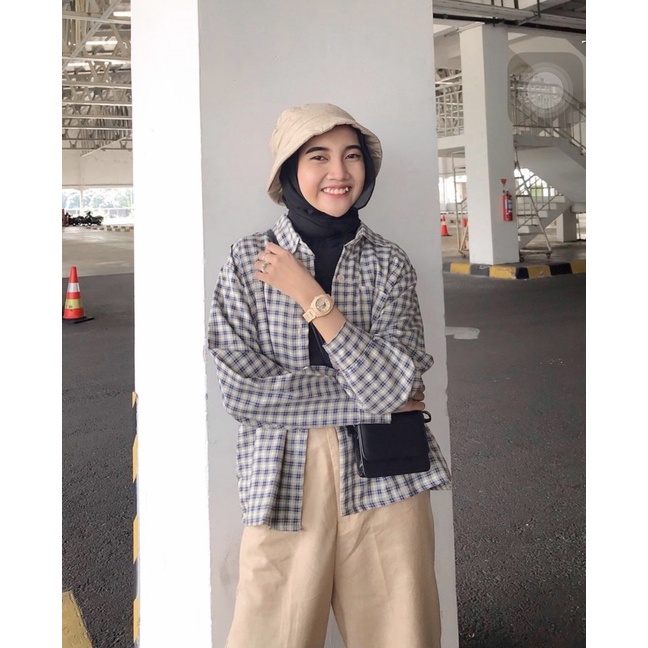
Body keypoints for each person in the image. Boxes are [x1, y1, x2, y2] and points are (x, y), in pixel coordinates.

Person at [207, 103, 451, 648]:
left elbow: (398, 381)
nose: (338, 172)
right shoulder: (248, 260)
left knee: (401, 635)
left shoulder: (389, 263)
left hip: (389, 473)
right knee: (272, 635)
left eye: (352, 156)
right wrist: (376, 394)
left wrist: (309, 295)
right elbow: (244, 394)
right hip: (283, 474)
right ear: (289, 170)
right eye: (318, 157)